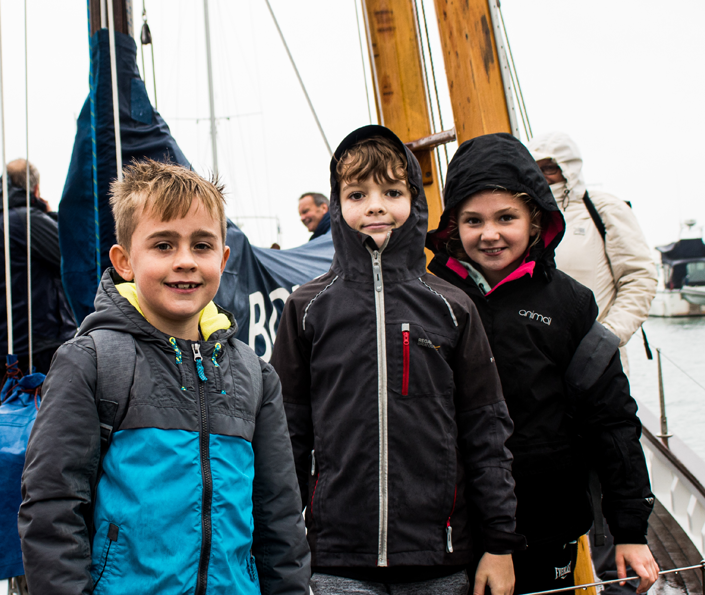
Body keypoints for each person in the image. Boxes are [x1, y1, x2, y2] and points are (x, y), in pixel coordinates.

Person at [19, 159, 310, 594]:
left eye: (202, 245)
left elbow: (280, 517)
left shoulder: (255, 375)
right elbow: (52, 510)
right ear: (124, 260)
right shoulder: (90, 363)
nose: (185, 262)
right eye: (163, 245)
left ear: (224, 258)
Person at [272, 125, 523, 595]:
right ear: (337, 203)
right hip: (336, 559)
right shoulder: (307, 308)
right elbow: (287, 436)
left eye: (391, 191)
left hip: (440, 555)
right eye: (356, 193)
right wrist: (279, 544)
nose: (375, 205)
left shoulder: (452, 306)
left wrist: (500, 543)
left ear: (415, 200)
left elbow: (486, 430)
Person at [426, 133, 658, 594]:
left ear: (536, 222)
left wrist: (630, 530)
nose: (489, 234)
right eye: (473, 220)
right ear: (453, 227)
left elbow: (611, 419)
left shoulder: (571, 303)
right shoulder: (429, 298)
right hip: (454, 524)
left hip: (547, 520)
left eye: (506, 217)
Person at [527, 132, 657, 374]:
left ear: (569, 168)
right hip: (538, 361)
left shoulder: (604, 209)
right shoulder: (524, 217)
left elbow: (639, 278)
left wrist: (608, 336)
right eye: (535, 169)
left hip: (597, 361)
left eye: (550, 167)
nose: (542, 176)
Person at [0, 158, 77, 386]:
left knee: (12, 415)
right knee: (50, 414)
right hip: (39, 341)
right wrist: (50, 216)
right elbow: (69, 256)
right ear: (35, 189)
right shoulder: (29, 219)